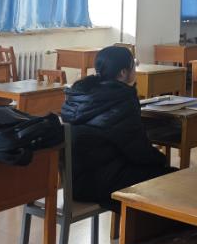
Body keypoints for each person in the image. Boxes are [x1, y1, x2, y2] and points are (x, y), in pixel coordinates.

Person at [61, 46, 175, 212]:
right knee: (172, 179)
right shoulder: (121, 100)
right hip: (102, 184)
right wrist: (162, 160)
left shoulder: (78, 95)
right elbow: (137, 150)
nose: (135, 70)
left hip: (75, 182)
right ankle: (141, 228)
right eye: (133, 66)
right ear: (123, 73)